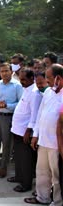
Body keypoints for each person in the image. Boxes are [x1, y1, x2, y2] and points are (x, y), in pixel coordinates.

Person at [24, 64, 63, 205]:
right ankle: (42, 197)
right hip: (43, 140)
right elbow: (40, 114)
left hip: (56, 144)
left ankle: (58, 201)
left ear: (58, 78)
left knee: (57, 176)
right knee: (41, 172)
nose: (47, 80)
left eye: (49, 77)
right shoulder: (48, 92)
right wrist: (35, 135)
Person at [7, 68, 41, 193]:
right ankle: (19, 176)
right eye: (20, 79)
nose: (21, 82)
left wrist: (28, 131)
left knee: (26, 159)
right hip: (17, 130)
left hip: (25, 132)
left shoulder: (35, 93)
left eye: (24, 80)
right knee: (18, 157)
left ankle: (25, 184)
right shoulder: (26, 90)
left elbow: (34, 115)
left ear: (32, 78)